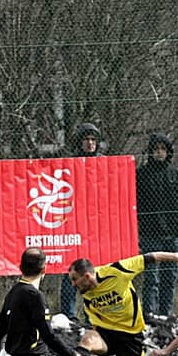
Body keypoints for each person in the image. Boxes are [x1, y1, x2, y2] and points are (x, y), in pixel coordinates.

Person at [136, 133, 178, 317]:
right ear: (150, 152)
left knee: (170, 276)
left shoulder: (175, 174)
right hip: (150, 234)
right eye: (156, 149)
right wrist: (143, 223)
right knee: (151, 276)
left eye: (163, 149)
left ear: (168, 152)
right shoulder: (141, 175)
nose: (159, 152)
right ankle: (150, 313)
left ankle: (166, 313)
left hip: (172, 234)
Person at [59, 122, 105, 320]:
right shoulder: (70, 163)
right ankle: (69, 317)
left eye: (93, 139)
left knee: (94, 272)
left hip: (97, 226)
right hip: (74, 224)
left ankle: (92, 315)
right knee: (70, 270)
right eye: (86, 139)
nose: (90, 143)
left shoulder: (104, 164)